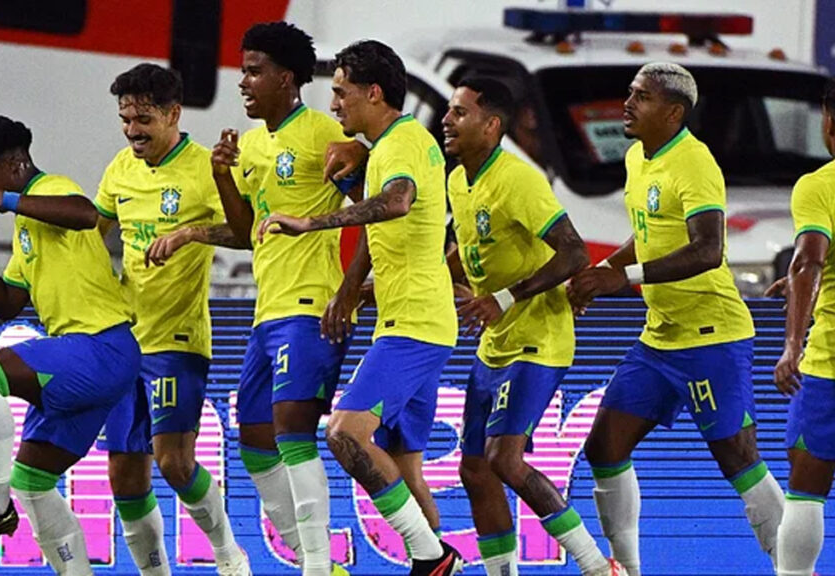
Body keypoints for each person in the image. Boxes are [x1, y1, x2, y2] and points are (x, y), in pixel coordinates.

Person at [568, 62, 784, 576]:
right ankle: (627, 569)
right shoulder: (638, 157)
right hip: (660, 338)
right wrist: (604, 270)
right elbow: (649, 231)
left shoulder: (694, 163)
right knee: (604, 447)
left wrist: (624, 278)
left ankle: (793, 567)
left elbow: (707, 250)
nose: (627, 104)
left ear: (673, 112)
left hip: (711, 335)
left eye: (641, 97)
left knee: (738, 457)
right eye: (629, 92)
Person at [259, 39, 462, 576]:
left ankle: (434, 557)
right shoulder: (392, 144)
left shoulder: (403, 143)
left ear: (373, 93)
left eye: (341, 92)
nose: (333, 104)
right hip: (414, 319)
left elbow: (396, 203)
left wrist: (311, 222)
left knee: (345, 431)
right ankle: (436, 564)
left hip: (415, 325)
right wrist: (351, 288)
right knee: (406, 469)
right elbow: (380, 223)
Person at [0, 115, 140, 576]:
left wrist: (4, 197)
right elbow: (7, 303)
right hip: (94, 362)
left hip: (101, 348)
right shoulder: (27, 225)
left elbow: (84, 214)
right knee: (33, 482)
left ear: (15, 163)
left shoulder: (52, 188)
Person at [443, 74, 624, 576]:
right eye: (450, 110)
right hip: (495, 344)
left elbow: (574, 252)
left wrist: (504, 298)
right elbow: (469, 253)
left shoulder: (519, 180)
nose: (447, 120)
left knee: (504, 459)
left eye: (460, 112)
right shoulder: (458, 180)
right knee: (474, 469)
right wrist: (431, 281)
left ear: (491, 125)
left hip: (538, 339)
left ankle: (597, 566)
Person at [207, 22, 363, 576]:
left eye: (255, 71)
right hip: (265, 313)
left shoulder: (324, 134)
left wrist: (349, 291)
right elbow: (246, 231)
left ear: (286, 78)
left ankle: (317, 565)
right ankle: (312, 559)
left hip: (310, 307)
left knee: (293, 435)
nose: (243, 82)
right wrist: (222, 176)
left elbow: (373, 210)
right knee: (254, 441)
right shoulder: (250, 146)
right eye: (243, 70)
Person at [93, 63, 250, 576]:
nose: (132, 131)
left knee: (174, 463)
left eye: (143, 120)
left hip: (178, 339)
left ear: (173, 114)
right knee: (123, 474)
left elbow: (247, 232)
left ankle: (229, 554)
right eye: (125, 119)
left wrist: (191, 234)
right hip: (125, 342)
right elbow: (93, 233)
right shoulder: (120, 168)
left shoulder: (205, 168)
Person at [772, 77, 835, 576]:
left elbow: (808, 261)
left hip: (829, 366)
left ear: (829, 122)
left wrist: (792, 344)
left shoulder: (819, 186)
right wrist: (797, 284)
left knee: (806, 485)